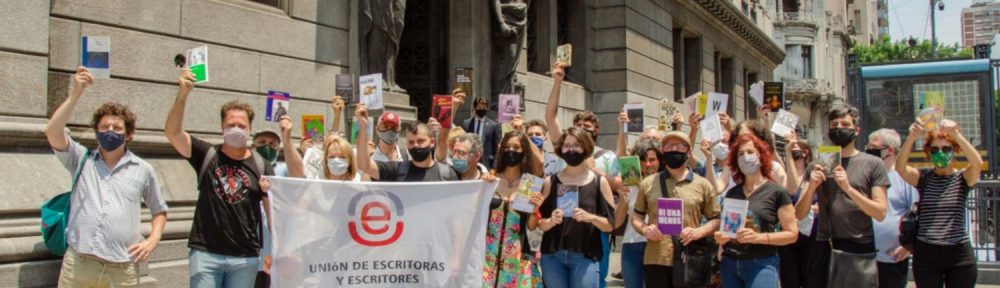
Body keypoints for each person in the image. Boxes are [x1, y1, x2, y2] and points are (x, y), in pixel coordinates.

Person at [48, 67, 168, 287]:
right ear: (96, 131)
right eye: (104, 127)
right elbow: (53, 131)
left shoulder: (143, 169)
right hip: (80, 265)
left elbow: (159, 210)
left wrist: (153, 239)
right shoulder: (81, 159)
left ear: (128, 134)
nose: (110, 130)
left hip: (122, 269)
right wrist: (76, 93)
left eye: (116, 127)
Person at [165, 68, 274, 288]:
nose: (236, 128)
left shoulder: (262, 165)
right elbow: (173, 133)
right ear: (221, 127)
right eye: (230, 124)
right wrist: (182, 95)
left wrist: (277, 249)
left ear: (250, 129)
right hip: (206, 253)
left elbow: (273, 214)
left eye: (241, 125)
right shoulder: (206, 154)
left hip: (245, 256)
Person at [545, 62, 621, 286]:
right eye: (577, 126)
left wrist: (595, 170)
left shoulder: (605, 156)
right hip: (562, 233)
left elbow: (616, 186)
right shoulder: (564, 148)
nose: (572, 149)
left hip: (593, 233)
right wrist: (557, 82)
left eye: (586, 129)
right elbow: (550, 117)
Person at [797, 105, 888, 288]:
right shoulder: (817, 165)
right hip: (825, 244)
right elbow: (799, 213)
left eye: (844, 124)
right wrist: (812, 187)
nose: (839, 128)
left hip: (858, 245)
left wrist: (848, 188)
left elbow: (880, 212)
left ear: (856, 130)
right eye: (834, 124)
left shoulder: (873, 164)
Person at [897, 119, 982, 288]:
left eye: (946, 148)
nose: (940, 153)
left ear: (954, 150)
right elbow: (901, 168)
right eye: (934, 149)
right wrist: (911, 138)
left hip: (958, 253)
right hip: (927, 253)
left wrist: (956, 135)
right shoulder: (924, 177)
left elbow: (977, 164)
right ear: (929, 153)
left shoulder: (962, 178)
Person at [631, 131, 720, 286]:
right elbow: (636, 217)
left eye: (679, 145)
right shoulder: (648, 183)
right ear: (663, 151)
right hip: (656, 258)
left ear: (689, 151)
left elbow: (716, 219)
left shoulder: (703, 184)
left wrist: (699, 232)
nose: (673, 149)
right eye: (669, 146)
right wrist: (645, 229)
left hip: (690, 258)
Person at [714, 134, 799, 288]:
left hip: (761, 263)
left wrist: (758, 237)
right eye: (740, 154)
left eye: (750, 152)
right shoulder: (732, 193)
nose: (745, 157)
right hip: (730, 263)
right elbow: (727, 229)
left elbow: (792, 234)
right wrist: (721, 237)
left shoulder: (776, 191)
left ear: (761, 156)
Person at [537, 127, 617, 288]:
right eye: (567, 145)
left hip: (585, 255)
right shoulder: (550, 182)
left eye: (577, 145)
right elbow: (540, 224)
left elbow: (610, 225)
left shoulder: (599, 182)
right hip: (553, 256)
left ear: (586, 147)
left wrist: (591, 217)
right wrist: (551, 221)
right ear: (561, 149)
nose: (571, 149)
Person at [483, 131, 545, 287]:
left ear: (524, 150)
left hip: (517, 258)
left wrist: (534, 209)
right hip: (486, 257)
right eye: (507, 147)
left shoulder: (529, 183)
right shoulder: (491, 179)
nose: (511, 150)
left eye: (516, 147)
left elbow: (531, 227)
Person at [864, 129, 919, 288]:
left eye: (874, 146)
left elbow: (917, 214)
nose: (868, 149)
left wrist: (907, 247)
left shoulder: (905, 178)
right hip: (864, 257)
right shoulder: (866, 175)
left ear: (890, 149)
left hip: (892, 259)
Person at [356, 101, 458, 182]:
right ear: (406, 144)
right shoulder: (397, 170)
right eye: (411, 142)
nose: (416, 146)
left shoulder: (447, 174)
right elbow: (365, 165)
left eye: (421, 141)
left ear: (432, 142)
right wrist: (363, 126)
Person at [612, 138, 660, 288]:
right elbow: (616, 222)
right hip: (631, 246)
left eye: (652, 159)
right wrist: (622, 199)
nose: (648, 164)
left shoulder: (667, 183)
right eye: (643, 160)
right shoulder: (630, 183)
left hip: (658, 245)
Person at [778, 132, 816, 288]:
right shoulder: (784, 171)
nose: (793, 150)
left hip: (810, 234)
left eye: (796, 147)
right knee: (789, 278)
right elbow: (792, 190)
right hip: (789, 233)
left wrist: (812, 207)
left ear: (806, 151)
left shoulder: (813, 173)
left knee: (809, 278)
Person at [462, 96, 501, 168]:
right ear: (475, 108)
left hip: (486, 163)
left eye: (484, 107)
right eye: (479, 107)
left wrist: (495, 166)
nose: (482, 109)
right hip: (469, 161)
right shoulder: (466, 123)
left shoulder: (493, 125)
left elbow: (496, 149)